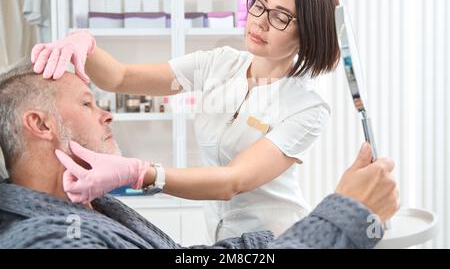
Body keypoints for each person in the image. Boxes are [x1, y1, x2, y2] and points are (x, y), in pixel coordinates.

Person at [32, 0, 347, 241]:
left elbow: (232, 181)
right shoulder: (219, 64)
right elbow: (122, 78)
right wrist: (85, 44)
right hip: (218, 234)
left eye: (280, 17)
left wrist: (142, 173)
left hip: (275, 238)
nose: (260, 22)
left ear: (308, 33)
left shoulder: (307, 106)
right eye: (259, 5)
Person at [0, 62, 399, 249]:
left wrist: (258, 246)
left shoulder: (94, 209)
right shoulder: (48, 240)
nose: (107, 114)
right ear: (41, 124)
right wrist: (344, 214)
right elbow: (121, 74)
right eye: (88, 103)